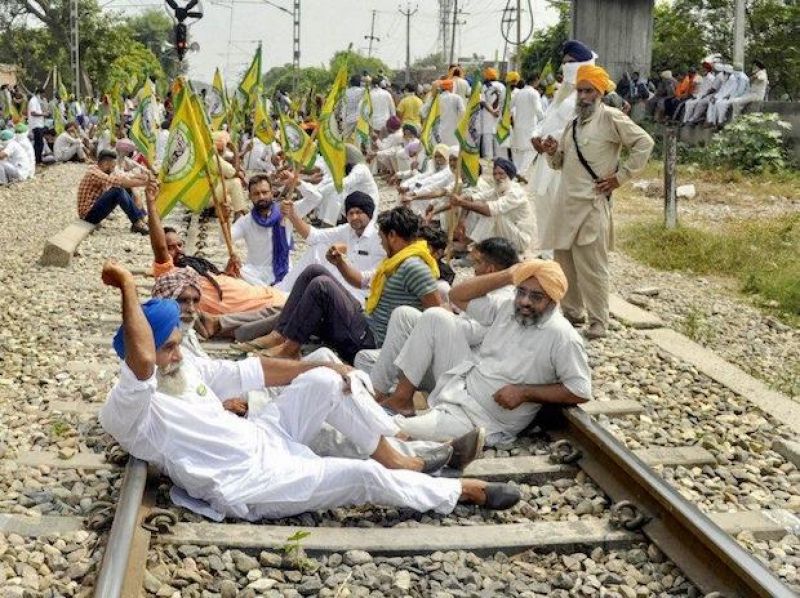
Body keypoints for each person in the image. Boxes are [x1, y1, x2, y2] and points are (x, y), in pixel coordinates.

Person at [99, 260, 521, 522]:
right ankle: (460, 492)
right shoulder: (131, 408)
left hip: (267, 437)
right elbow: (141, 359)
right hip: (255, 481)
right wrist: (126, 285)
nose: (176, 355)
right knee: (360, 476)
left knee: (322, 377)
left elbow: (257, 368)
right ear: (143, 356)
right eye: (167, 348)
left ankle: (400, 451)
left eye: (175, 345)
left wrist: (322, 365)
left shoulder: (188, 368)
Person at [376, 260, 591, 446]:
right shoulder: (509, 308)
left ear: (553, 301)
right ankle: (402, 400)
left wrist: (525, 392)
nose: (525, 301)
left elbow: (580, 389)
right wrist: (508, 275)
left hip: (482, 418)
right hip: (460, 385)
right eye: (522, 292)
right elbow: (456, 295)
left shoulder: (562, 336)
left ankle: (406, 420)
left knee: (391, 429)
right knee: (435, 317)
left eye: (536, 297)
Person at [540, 65, 654, 340]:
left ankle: (598, 320)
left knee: (592, 266)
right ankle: (572, 312)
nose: (583, 96)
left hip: (592, 204)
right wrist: (551, 152)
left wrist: (621, 176)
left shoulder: (611, 118)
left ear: (600, 93)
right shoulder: (573, 123)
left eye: (589, 91)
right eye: (580, 91)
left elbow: (644, 143)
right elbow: (560, 164)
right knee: (564, 262)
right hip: (566, 204)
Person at [254, 206, 442, 363]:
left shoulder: (413, 267)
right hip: (366, 322)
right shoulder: (395, 262)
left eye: (382, 237)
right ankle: (280, 334)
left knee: (322, 286)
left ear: (392, 235)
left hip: (372, 340)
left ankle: (290, 350)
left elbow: (437, 313)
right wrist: (339, 262)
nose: (381, 242)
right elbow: (361, 280)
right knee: (314, 271)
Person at [355, 237, 519, 384]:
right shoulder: (490, 291)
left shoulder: (503, 299)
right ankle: (391, 389)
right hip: (448, 352)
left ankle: (384, 391)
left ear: (490, 269)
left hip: (461, 372)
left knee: (426, 317)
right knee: (366, 357)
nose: (474, 269)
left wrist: (443, 318)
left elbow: (469, 334)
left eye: (477, 263)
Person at [146, 184, 286, 317]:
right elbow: (160, 247)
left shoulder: (191, 268)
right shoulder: (168, 274)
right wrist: (151, 205)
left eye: (180, 245)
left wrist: (228, 271)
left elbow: (215, 280)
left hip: (256, 293)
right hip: (256, 305)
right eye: (171, 248)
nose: (178, 250)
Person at [529, 40, 598, 257]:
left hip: (565, 162)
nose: (566, 66)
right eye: (565, 62)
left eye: (572, 62)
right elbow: (546, 120)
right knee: (544, 206)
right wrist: (536, 136)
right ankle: (547, 253)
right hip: (545, 159)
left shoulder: (587, 95)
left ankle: (559, 258)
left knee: (561, 211)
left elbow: (580, 128)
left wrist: (552, 140)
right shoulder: (563, 93)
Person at [278, 191, 385, 304]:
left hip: (363, 293)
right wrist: (293, 215)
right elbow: (314, 236)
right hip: (347, 282)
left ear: (369, 214)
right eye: (350, 213)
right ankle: (282, 291)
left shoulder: (379, 236)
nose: (354, 217)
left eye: (359, 213)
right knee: (319, 249)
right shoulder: (348, 230)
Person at [229, 173, 321, 287]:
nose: (261, 197)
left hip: (285, 274)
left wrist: (297, 182)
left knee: (315, 259)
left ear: (271, 193)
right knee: (235, 272)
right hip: (254, 275)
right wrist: (224, 219)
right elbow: (226, 238)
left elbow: (316, 198)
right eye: (256, 194)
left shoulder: (287, 211)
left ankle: (271, 294)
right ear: (250, 197)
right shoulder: (246, 221)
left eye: (264, 192)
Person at [449, 157, 536, 255]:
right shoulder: (498, 189)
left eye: (501, 173)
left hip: (520, 239)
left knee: (492, 214)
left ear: (509, 175)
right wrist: (461, 214)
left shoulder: (515, 192)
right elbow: (474, 197)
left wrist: (461, 203)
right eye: (495, 174)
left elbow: (490, 210)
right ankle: (468, 243)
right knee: (478, 206)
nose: (497, 177)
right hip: (506, 233)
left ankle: (473, 248)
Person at [76, 149, 149, 233]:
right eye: (112, 167)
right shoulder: (94, 173)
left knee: (127, 188)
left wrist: (144, 178)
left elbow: (124, 177)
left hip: (94, 210)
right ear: (105, 163)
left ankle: (141, 218)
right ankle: (137, 222)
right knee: (118, 190)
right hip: (87, 216)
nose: (113, 169)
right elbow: (119, 182)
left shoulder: (103, 170)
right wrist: (145, 183)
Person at [510, 73, 544, 174]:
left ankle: (515, 172)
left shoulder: (518, 93)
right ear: (536, 81)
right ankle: (521, 172)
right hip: (530, 126)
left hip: (518, 126)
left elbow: (509, 107)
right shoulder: (534, 93)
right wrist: (544, 120)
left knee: (519, 150)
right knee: (532, 149)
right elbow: (538, 110)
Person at [479, 68, 505, 160]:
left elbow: (482, 101)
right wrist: (498, 111)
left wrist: (492, 111)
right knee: (497, 137)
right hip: (499, 114)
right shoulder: (502, 86)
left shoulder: (485, 86)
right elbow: (504, 101)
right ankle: (499, 158)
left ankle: (488, 158)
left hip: (487, 115)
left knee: (487, 136)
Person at [437, 79, 466, 146]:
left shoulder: (438, 99)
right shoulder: (457, 98)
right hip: (454, 130)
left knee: (442, 151)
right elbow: (462, 112)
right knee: (453, 151)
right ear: (452, 87)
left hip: (440, 131)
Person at [27, 88, 46, 164]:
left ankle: (38, 159)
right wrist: (43, 114)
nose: (43, 97)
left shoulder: (36, 101)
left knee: (39, 143)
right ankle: (37, 160)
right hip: (36, 125)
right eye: (42, 95)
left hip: (39, 124)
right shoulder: (33, 101)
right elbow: (33, 113)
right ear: (39, 93)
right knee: (39, 143)